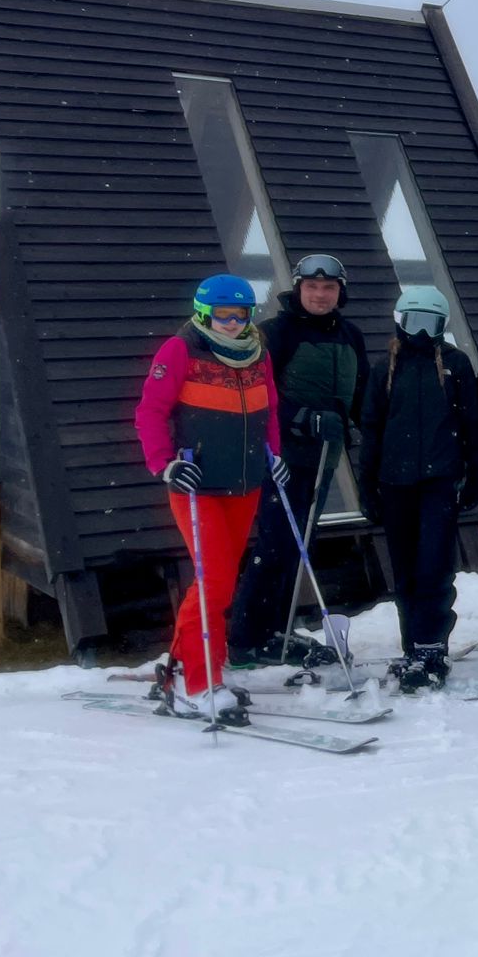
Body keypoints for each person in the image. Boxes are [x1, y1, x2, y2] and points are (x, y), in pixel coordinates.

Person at [133, 274, 288, 720]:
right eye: (223, 315)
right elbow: (150, 411)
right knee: (215, 580)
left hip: (244, 484)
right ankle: (196, 686)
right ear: (204, 313)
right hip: (196, 484)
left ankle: (190, 670)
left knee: (218, 582)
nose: (233, 323)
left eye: (242, 314)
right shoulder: (180, 350)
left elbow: (269, 410)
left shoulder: (257, 354)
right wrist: (165, 463)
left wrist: (273, 455)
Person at [227, 253, 370, 667]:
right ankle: (245, 638)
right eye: (312, 287)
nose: (320, 295)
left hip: (324, 456)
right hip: (280, 456)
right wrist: (303, 418)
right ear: (298, 289)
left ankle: (276, 630)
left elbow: (360, 393)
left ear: (340, 291)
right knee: (275, 544)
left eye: (328, 288)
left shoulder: (350, 335)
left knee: (297, 545)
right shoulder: (275, 333)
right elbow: (254, 396)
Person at [357, 287, 478, 690]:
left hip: (438, 481)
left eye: (431, 324)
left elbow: (473, 425)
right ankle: (413, 644)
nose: (422, 333)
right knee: (406, 568)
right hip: (395, 483)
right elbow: (372, 430)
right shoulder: (385, 368)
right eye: (415, 322)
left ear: (442, 327)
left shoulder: (455, 365)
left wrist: (476, 472)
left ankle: (432, 644)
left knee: (434, 564)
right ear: (400, 321)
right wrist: (367, 485)